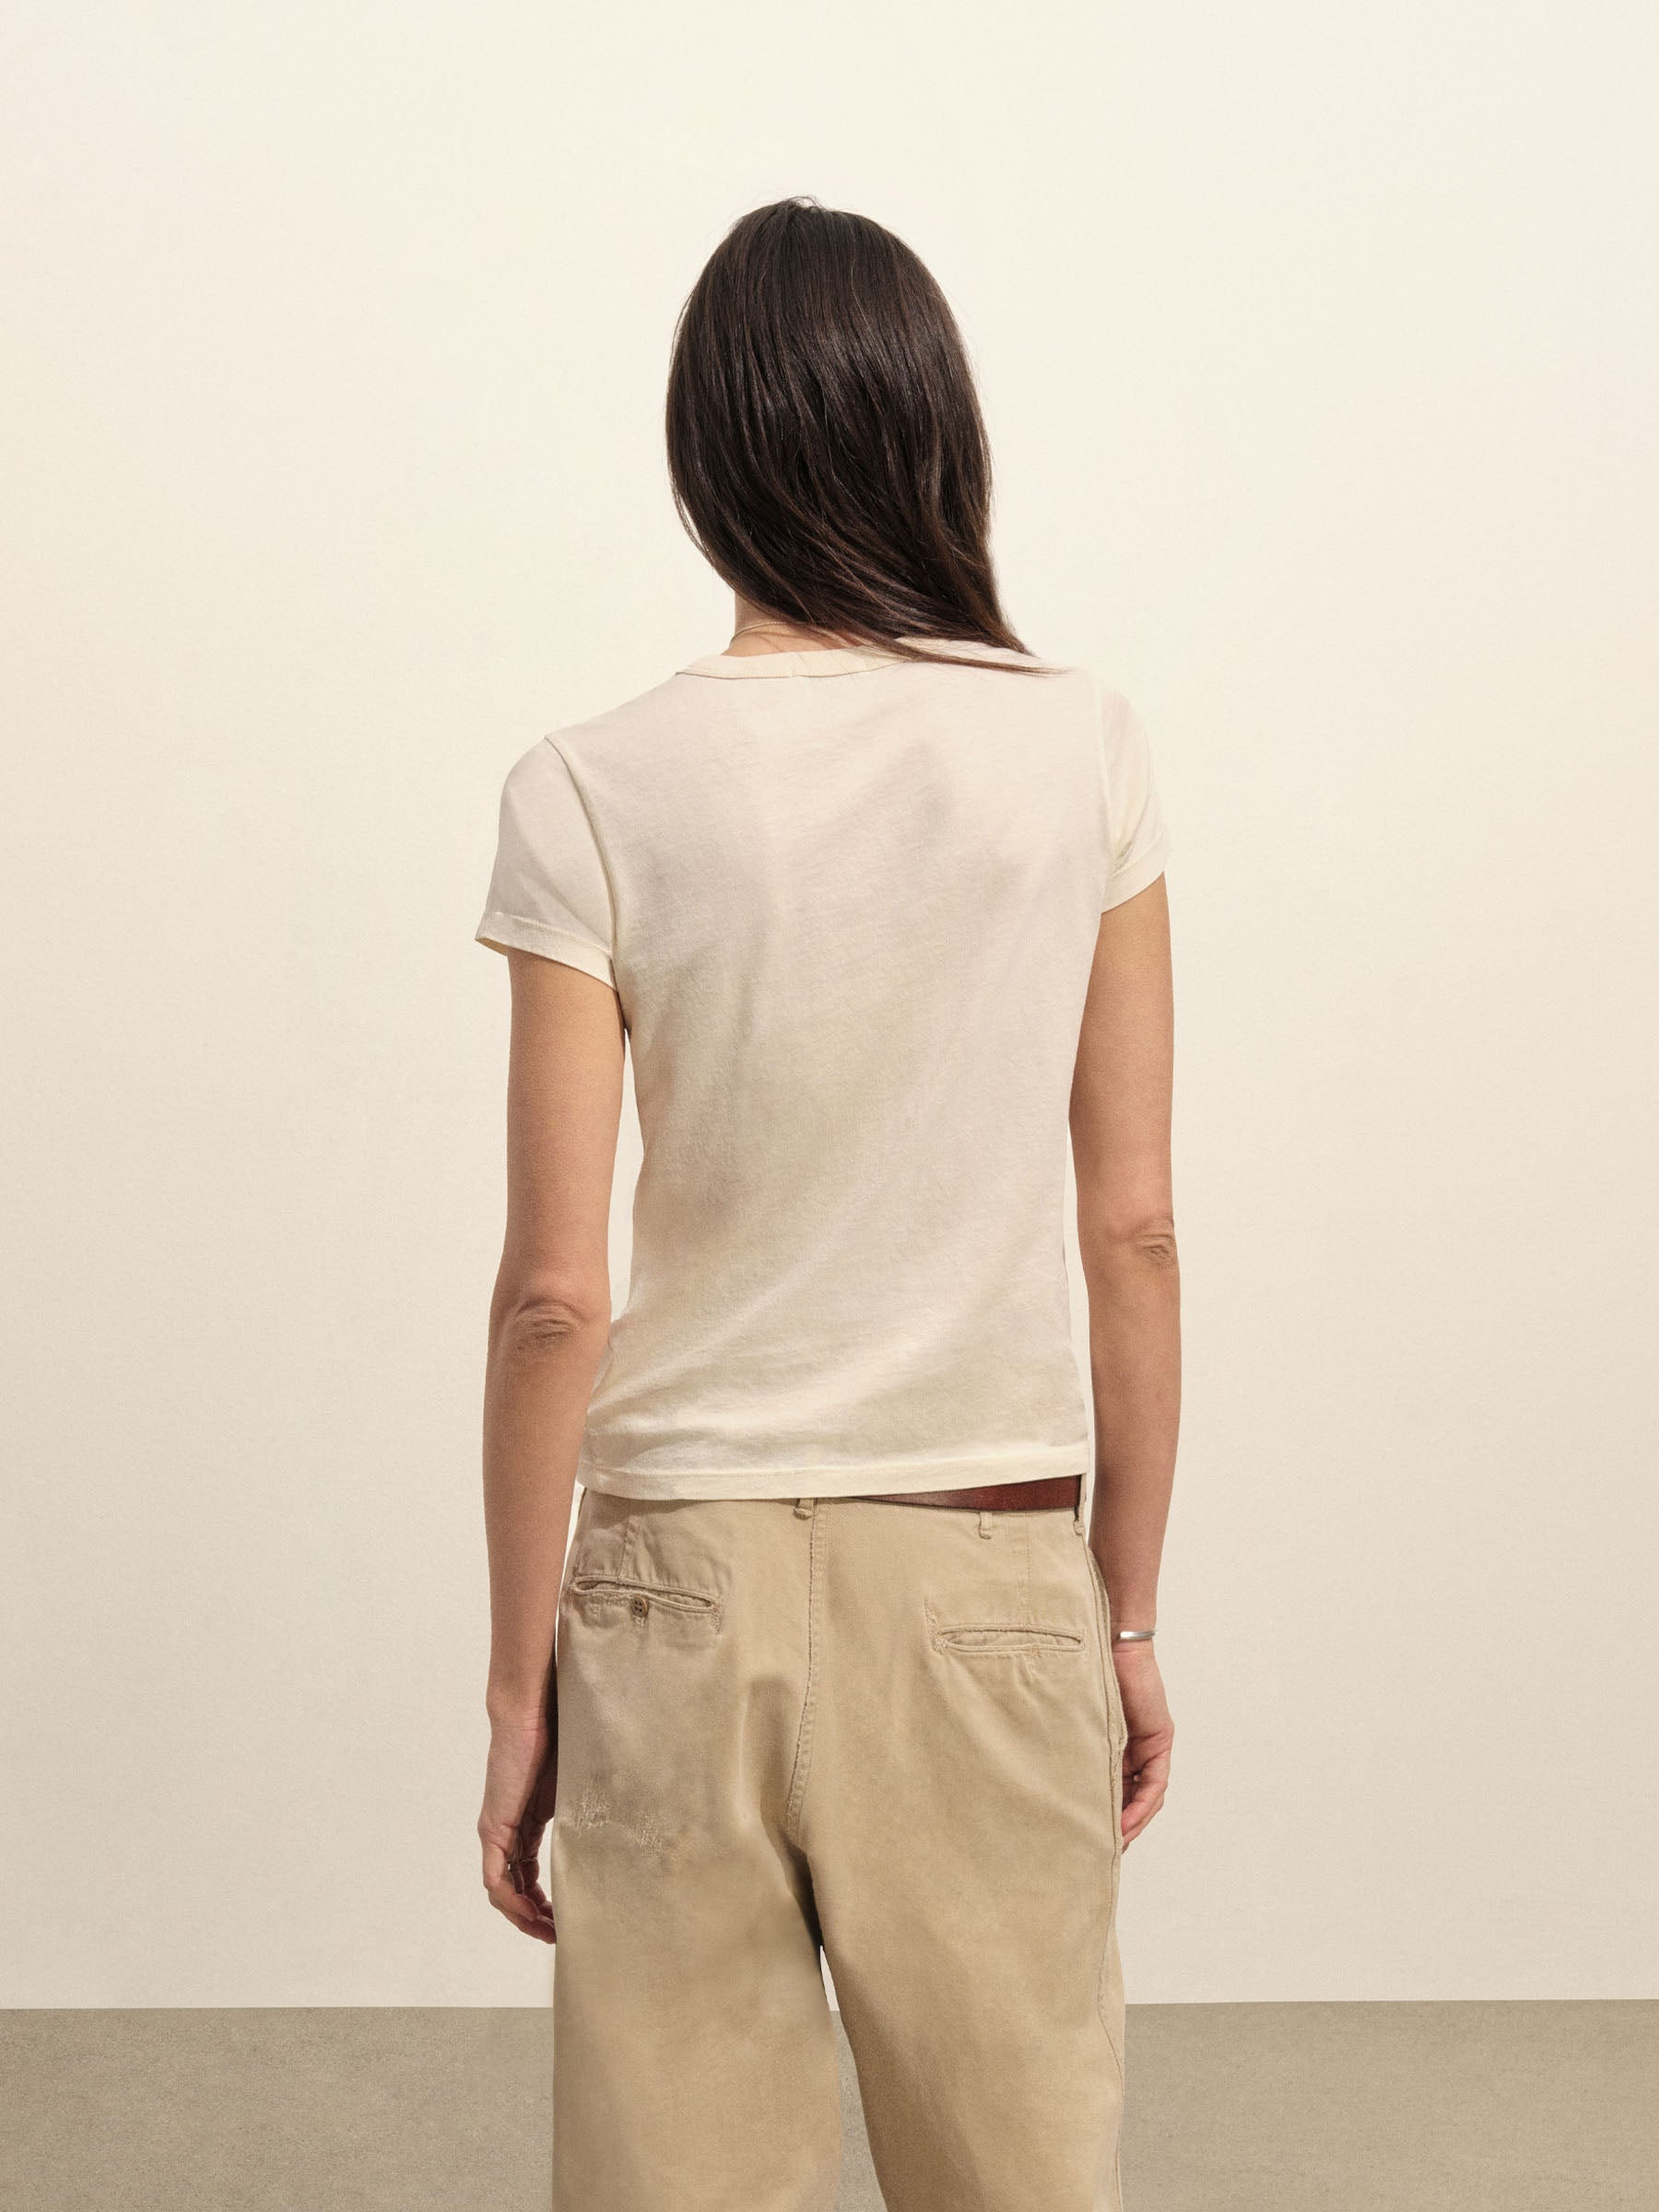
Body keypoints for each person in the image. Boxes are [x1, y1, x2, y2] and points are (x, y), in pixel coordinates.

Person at [472, 195, 1179, 2212]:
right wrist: (1125, 1614)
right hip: (983, 1570)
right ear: (937, 433)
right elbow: (1132, 1226)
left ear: (707, 454)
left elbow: (552, 1294)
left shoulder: (588, 785)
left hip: (674, 1586)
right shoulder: (1081, 751)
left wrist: (521, 1684)